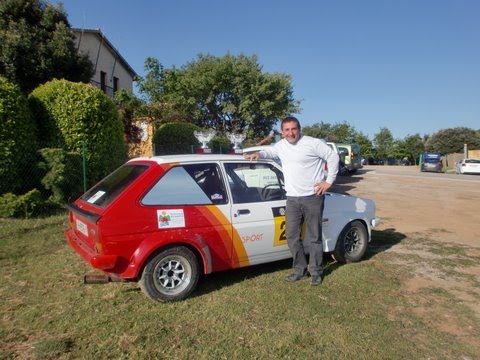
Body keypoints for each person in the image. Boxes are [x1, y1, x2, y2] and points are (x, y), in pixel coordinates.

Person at [244, 116, 339, 286]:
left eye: (293, 129)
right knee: (291, 235)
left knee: (315, 237)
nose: (290, 133)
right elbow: (270, 152)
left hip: (313, 197)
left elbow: (333, 158)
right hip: (292, 199)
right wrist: (258, 154)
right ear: (282, 132)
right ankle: (299, 269)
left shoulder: (313, 143)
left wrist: (328, 182)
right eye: (287, 130)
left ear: (299, 129)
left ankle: (316, 271)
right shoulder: (281, 145)